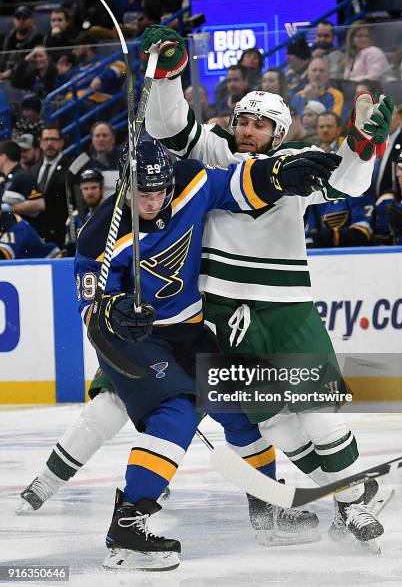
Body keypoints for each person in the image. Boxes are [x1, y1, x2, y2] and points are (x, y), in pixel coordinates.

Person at [141, 25, 394, 546]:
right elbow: (166, 123)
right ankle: (349, 496)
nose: (249, 130)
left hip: (286, 310)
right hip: (222, 312)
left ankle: (351, 503)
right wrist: (167, 73)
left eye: (261, 125)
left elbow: (348, 181)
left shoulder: (291, 166)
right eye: (244, 121)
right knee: (275, 421)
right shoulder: (212, 152)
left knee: (318, 415)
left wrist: (364, 143)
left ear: (280, 134)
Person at [74, 137, 339, 570]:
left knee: (240, 407)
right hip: (132, 341)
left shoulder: (190, 181)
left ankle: (266, 509)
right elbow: (88, 304)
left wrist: (280, 176)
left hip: (188, 329)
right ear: (125, 185)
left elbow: (237, 184)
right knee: (176, 409)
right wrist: (114, 310)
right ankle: (128, 524)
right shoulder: (99, 232)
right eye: (145, 193)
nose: (155, 201)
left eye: (161, 191)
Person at [0, 141, 45, 221]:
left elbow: (40, 204)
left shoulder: (22, 176)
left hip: (25, 229)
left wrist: (9, 208)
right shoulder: (7, 178)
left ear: (3, 157)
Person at [65, 167, 104, 254]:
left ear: (101, 189)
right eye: (85, 189)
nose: (89, 192)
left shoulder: (111, 214)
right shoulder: (73, 219)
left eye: (93, 188)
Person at [0, 6, 43, 81]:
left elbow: (34, 64)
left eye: (24, 18)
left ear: (31, 20)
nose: (21, 21)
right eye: (18, 18)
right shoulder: (6, 38)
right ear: (14, 20)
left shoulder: (38, 38)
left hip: (22, 79)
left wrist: (12, 72)